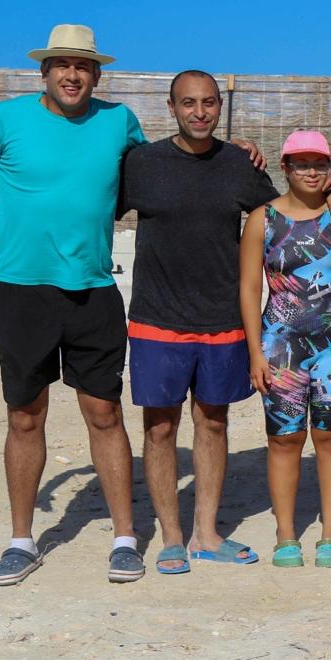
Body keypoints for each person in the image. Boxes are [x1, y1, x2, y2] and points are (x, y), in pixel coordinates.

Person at [0, 24, 148, 585]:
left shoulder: (119, 122)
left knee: (104, 413)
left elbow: (166, 170)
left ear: (97, 75)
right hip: (21, 293)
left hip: (93, 291)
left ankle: (125, 538)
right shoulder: (3, 120)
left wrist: (236, 152)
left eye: (82, 66)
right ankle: (21, 541)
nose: (72, 75)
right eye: (62, 65)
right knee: (25, 416)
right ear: (44, 72)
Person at [119, 70, 284, 574]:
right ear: (171, 108)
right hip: (157, 318)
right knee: (160, 427)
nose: (199, 112)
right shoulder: (141, 164)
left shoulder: (238, 164)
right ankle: (171, 536)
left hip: (222, 317)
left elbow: (283, 214)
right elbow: (91, 205)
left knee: (213, 420)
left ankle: (206, 534)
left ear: (219, 107)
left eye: (208, 103)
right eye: (188, 103)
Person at [239, 131, 331, 569]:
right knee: (284, 438)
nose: (311, 172)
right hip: (280, 346)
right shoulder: (262, 219)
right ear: (285, 167)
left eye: (319, 163)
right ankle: (286, 535)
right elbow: (249, 287)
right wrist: (255, 352)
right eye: (301, 164)